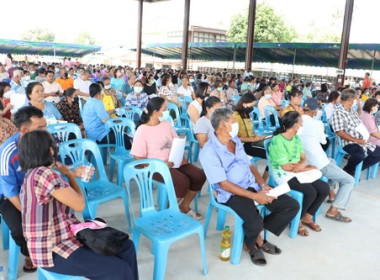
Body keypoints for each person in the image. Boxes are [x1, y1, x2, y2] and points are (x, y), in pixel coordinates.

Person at [18, 130, 138, 280]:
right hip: (53, 251)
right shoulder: (44, 174)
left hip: (66, 237)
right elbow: (80, 204)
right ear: (50, 150)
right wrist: (68, 173)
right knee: (119, 269)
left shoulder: (33, 174)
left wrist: (68, 174)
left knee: (127, 247)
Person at [199, 107, 299, 265]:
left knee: (291, 206)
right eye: (233, 121)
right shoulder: (209, 152)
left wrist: (262, 184)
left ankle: (253, 235)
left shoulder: (235, 141)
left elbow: (250, 165)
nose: (236, 123)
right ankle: (252, 244)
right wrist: (255, 196)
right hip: (231, 193)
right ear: (224, 125)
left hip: (251, 184)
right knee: (254, 220)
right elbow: (224, 184)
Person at [130, 97, 205, 220]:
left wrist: (182, 157)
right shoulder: (142, 130)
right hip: (156, 167)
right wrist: (162, 164)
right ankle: (170, 213)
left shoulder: (166, 124)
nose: (167, 111)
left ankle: (184, 206)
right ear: (155, 112)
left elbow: (176, 142)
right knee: (182, 181)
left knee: (199, 175)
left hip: (173, 161)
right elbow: (138, 159)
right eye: (165, 109)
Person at [269, 111, 329, 236]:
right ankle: (296, 221)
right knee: (310, 192)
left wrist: (300, 167)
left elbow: (303, 157)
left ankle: (307, 216)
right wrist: (304, 168)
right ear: (295, 125)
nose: (302, 125)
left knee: (324, 188)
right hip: (282, 174)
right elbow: (286, 167)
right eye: (301, 123)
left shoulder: (296, 138)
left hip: (298, 172)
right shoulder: (278, 141)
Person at [299, 98, 354, 223]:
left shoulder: (296, 122)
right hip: (317, 164)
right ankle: (333, 211)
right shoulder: (317, 124)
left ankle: (331, 191)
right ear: (315, 111)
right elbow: (324, 141)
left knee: (332, 161)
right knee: (349, 180)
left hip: (304, 162)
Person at [330, 89, 380, 176]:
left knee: (378, 153)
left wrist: (365, 136)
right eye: (355, 99)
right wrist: (357, 140)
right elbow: (340, 132)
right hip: (348, 142)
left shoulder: (351, 110)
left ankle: (354, 170)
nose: (357, 101)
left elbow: (359, 123)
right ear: (349, 100)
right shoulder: (338, 112)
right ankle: (347, 171)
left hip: (361, 141)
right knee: (360, 155)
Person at [82, 83, 131, 149]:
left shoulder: (88, 102)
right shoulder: (97, 103)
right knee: (124, 137)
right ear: (98, 92)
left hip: (91, 134)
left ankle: (118, 150)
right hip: (98, 135)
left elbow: (99, 115)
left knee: (119, 131)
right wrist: (114, 119)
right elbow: (105, 120)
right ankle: (129, 156)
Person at [234, 93, 269, 180]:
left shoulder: (246, 113)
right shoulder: (235, 116)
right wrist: (253, 139)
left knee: (273, 147)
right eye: (251, 105)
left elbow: (250, 130)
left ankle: (264, 179)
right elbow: (235, 138)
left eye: (254, 105)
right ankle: (263, 181)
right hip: (244, 146)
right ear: (244, 103)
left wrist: (256, 136)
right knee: (271, 154)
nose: (253, 107)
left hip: (252, 141)